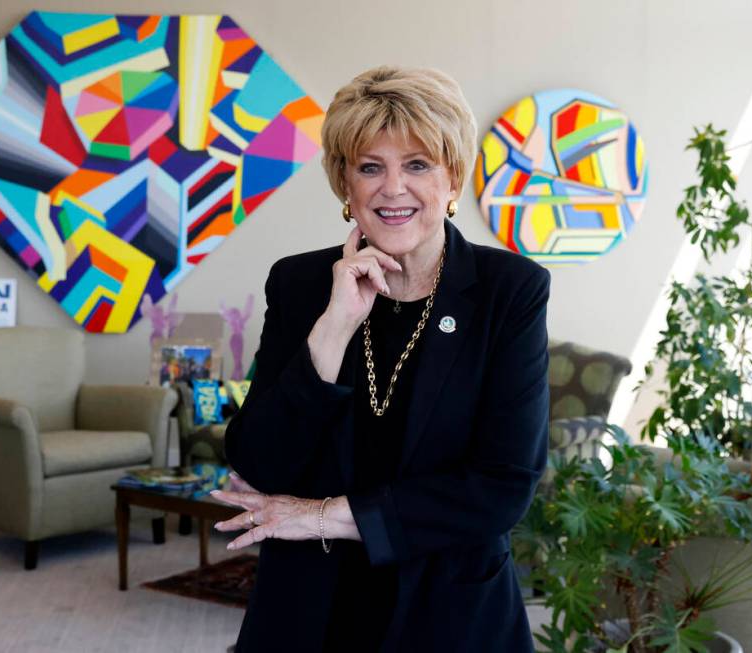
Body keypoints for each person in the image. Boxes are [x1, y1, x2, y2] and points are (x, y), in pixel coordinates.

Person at [214, 65, 550, 653]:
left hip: (449, 608)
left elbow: (501, 487)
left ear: (452, 182)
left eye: (417, 165)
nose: (393, 188)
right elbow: (260, 460)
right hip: (309, 606)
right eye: (371, 167)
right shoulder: (299, 284)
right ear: (346, 186)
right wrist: (334, 327)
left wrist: (321, 516)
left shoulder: (509, 291)